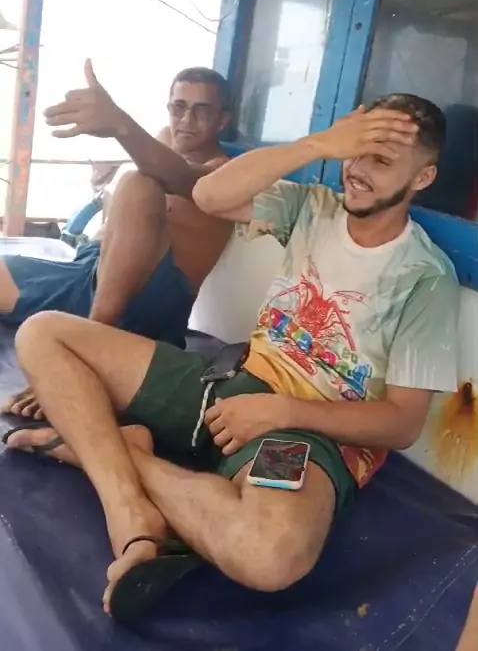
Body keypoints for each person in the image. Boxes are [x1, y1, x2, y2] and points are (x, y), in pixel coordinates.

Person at [3, 94, 459, 625]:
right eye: (355, 151)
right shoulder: (312, 207)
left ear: (423, 176)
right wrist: (317, 145)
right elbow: (209, 194)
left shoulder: (426, 277)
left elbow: (402, 423)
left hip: (298, 433)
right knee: (43, 333)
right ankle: (128, 508)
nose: (356, 170)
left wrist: (282, 412)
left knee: (269, 555)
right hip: (225, 383)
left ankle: (106, 450)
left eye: (379, 160)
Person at [1, 61, 232, 418]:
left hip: (147, 301)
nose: (186, 120)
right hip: (90, 273)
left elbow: (186, 180)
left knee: (136, 183)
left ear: (222, 120)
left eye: (201, 111)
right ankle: (82, 334)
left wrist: (120, 124)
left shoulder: (223, 174)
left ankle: (86, 349)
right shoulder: (164, 141)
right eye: (179, 107)